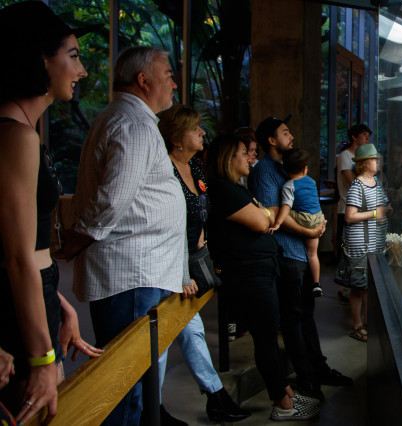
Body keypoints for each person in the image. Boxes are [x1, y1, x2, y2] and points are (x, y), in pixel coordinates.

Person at [65, 46, 187, 426]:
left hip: (135, 274)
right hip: (131, 277)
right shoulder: (133, 124)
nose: (174, 83)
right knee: (126, 389)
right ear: (143, 80)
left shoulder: (131, 120)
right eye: (167, 74)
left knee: (132, 387)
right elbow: (113, 199)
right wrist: (79, 238)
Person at [0, 2, 103, 422]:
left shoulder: (23, 133)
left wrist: (57, 300)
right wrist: (42, 360)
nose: (81, 72)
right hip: (14, 307)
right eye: (74, 57)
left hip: (35, 295)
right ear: (40, 58)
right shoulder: (15, 137)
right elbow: (17, 256)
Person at [208, 134, 320, 421]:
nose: (250, 158)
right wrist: (266, 213)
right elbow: (261, 220)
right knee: (267, 337)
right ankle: (282, 403)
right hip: (247, 275)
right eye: (244, 153)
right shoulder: (223, 189)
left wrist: (266, 212)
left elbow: (265, 213)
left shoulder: (238, 188)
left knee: (269, 333)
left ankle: (287, 394)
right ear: (228, 158)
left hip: (260, 271)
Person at [157, 105, 250, 422]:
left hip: (187, 261)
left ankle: (214, 396)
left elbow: (198, 214)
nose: (202, 133)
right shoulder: (162, 169)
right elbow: (170, 228)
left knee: (188, 331)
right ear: (176, 137)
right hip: (166, 266)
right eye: (195, 128)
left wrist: (201, 244)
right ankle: (159, 408)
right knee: (163, 340)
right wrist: (182, 273)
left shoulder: (195, 167)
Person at [250, 115, 352, 400]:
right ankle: (308, 380)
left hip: (301, 254)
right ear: (271, 140)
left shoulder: (285, 168)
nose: (291, 135)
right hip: (286, 254)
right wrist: (312, 227)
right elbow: (271, 213)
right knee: (293, 317)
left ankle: (318, 369)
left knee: (305, 314)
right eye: (285, 132)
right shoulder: (265, 171)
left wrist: (315, 226)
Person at [344, 144, 391, 342]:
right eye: (373, 159)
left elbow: (384, 205)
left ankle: (369, 322)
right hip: (360, 244)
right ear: (363, 164)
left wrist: (388, 209)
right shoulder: (357, 185)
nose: (377, 161)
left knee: (369, 286)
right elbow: (349, 216)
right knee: (358, 286)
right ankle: (357, 325)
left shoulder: (376, 181)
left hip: (375, 243)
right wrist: (374, 213)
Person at [270, 148, 325, 297]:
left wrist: (277, 223)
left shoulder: (288, 185)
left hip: (305, 220)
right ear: (305, 168)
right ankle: (316, 283)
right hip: (318, 217)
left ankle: (313, 283)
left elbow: (286, 207)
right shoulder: (312, 181)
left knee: (278, 209)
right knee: (313, 254)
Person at [336, 124, 371, 302]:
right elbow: (353, 182)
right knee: (346, 248)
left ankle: (352, 286)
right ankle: (344, 287)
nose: (367, 139)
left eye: (368, 136)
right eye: (364, 135)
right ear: (354, 137)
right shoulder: (345, 157)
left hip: (361, 211)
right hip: (346, 209)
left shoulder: (361, 157)